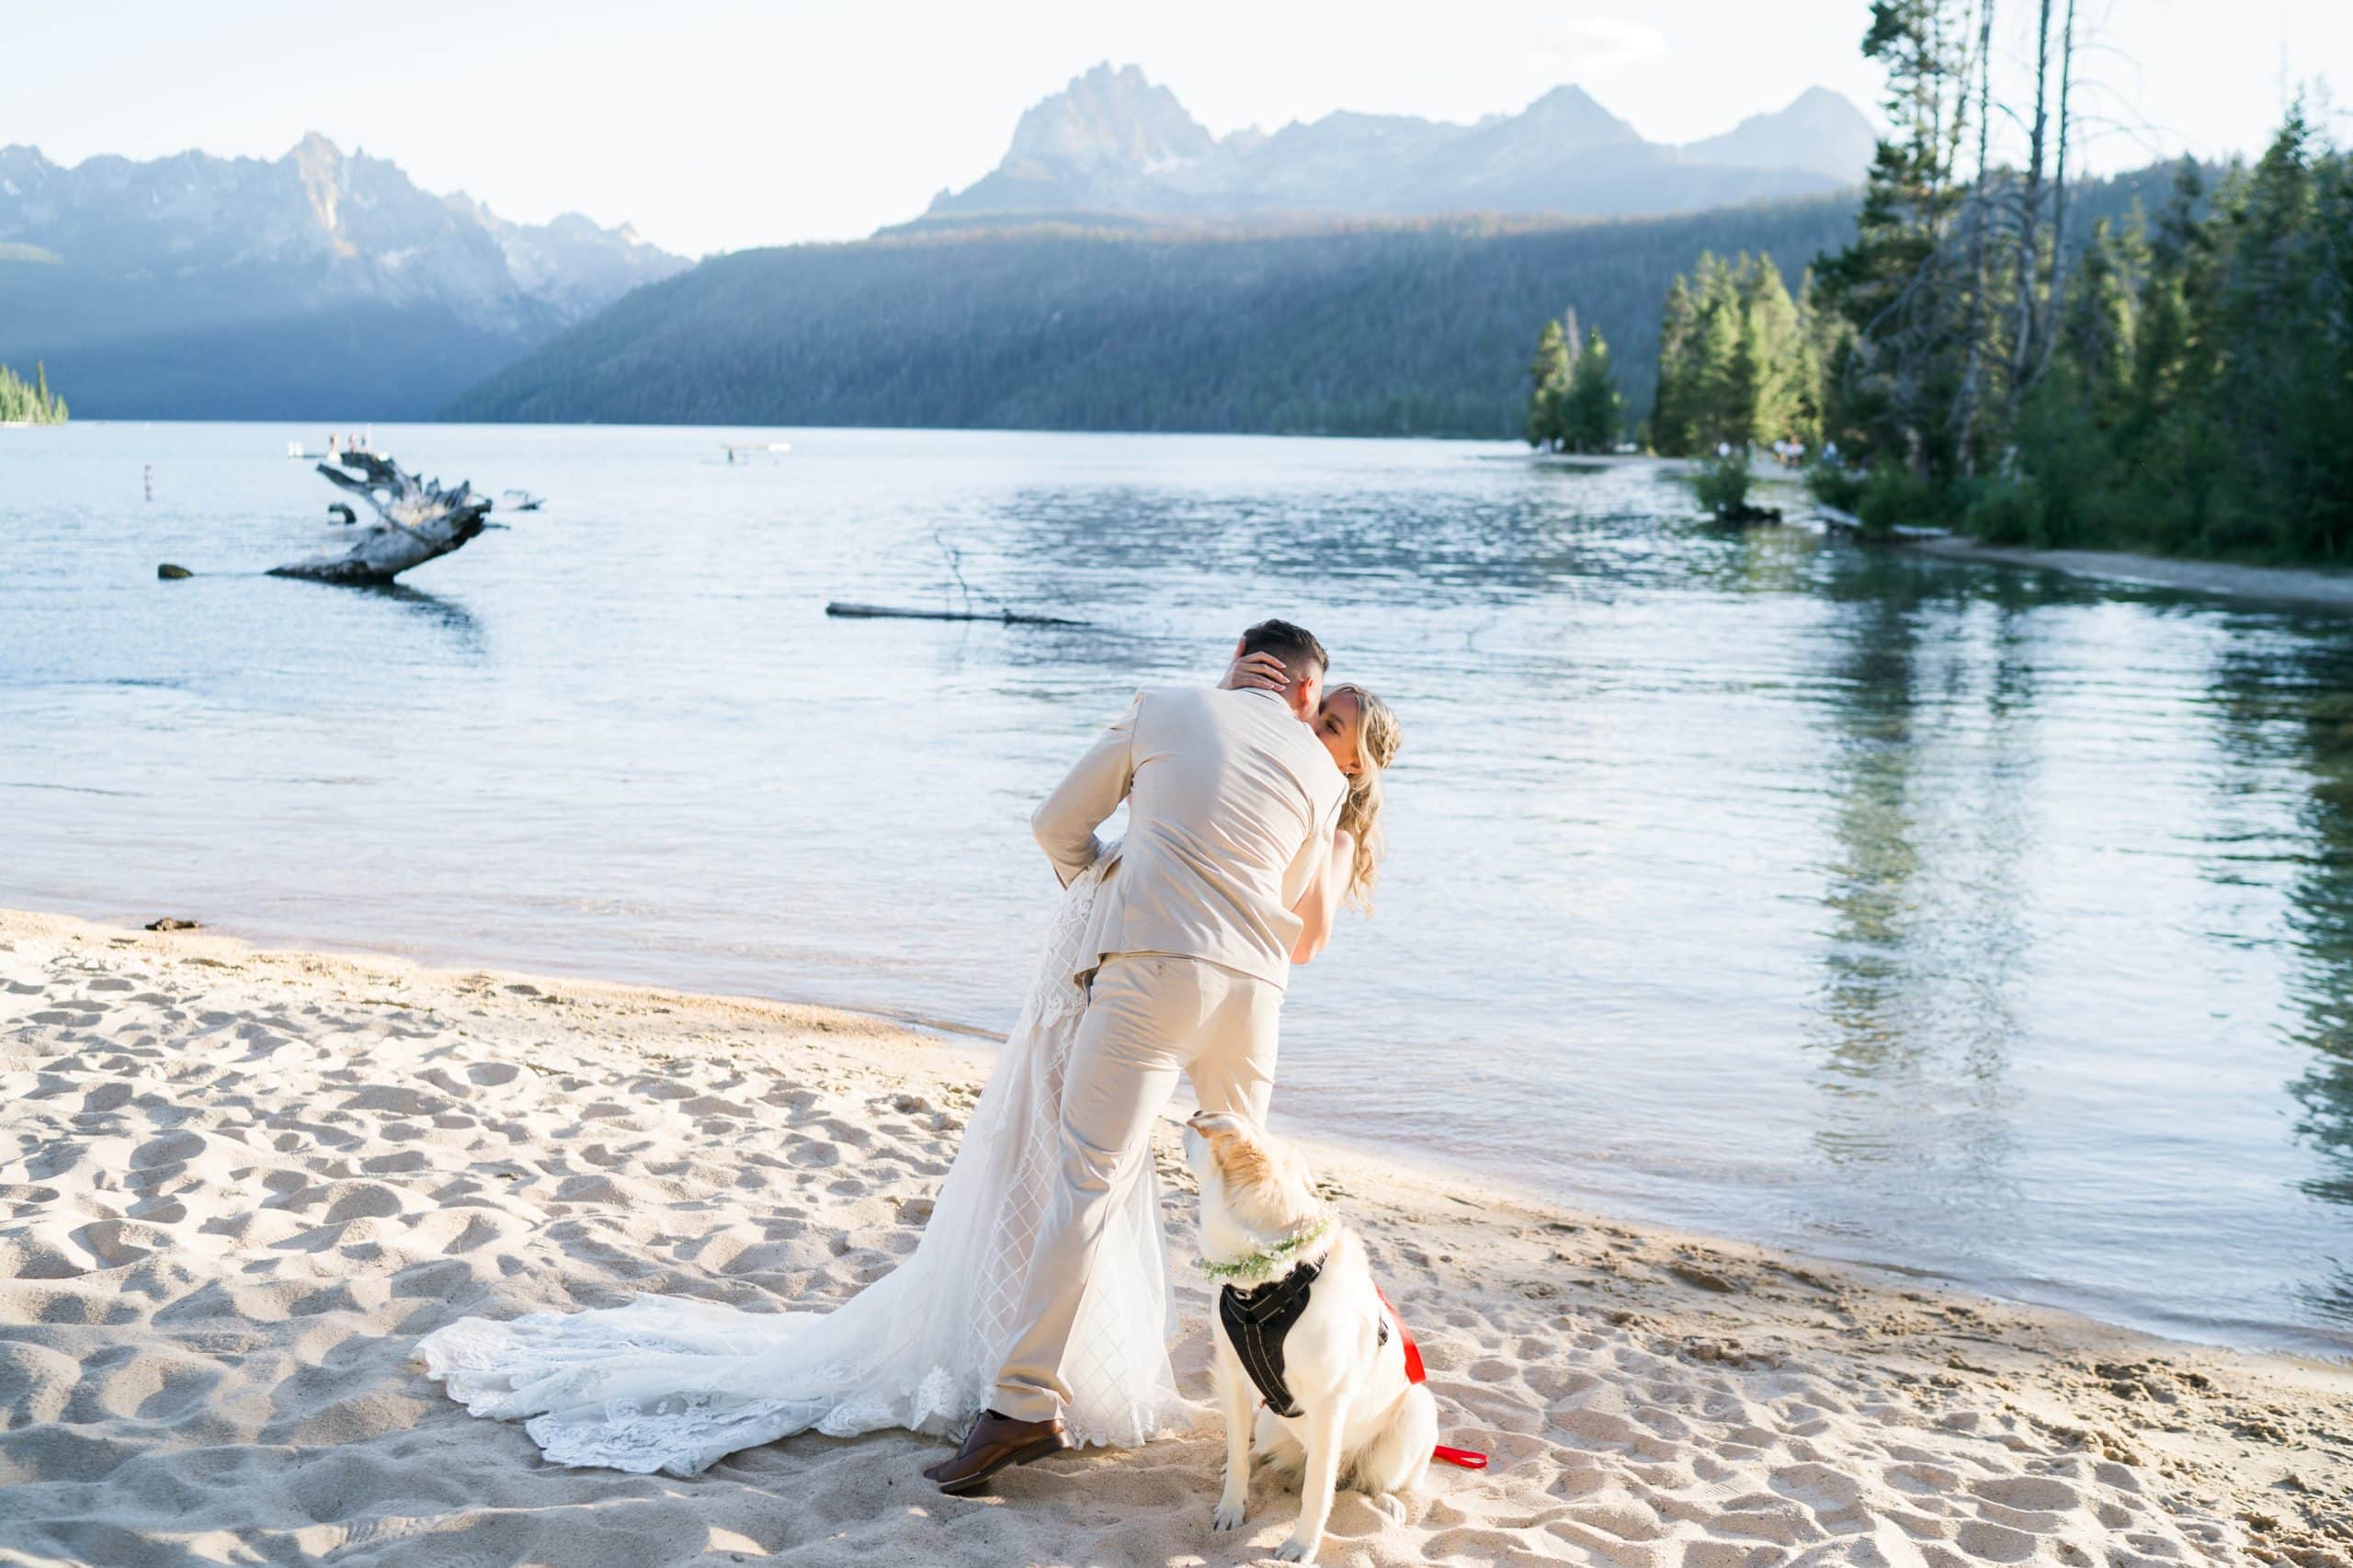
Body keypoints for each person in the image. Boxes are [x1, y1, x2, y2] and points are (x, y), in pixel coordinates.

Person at [415, 625, 1403, 1483]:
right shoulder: (1325, 773)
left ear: (1241, 660)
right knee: (1255, 1199)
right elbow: (1291, 907)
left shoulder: (1168, 708)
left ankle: (1022, 1404)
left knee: (1088, 1182)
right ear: (1304, 690)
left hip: (1149, 969)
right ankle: (1288, 1397)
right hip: (1255, 995)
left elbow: (1055, 824)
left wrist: (1100, 885)